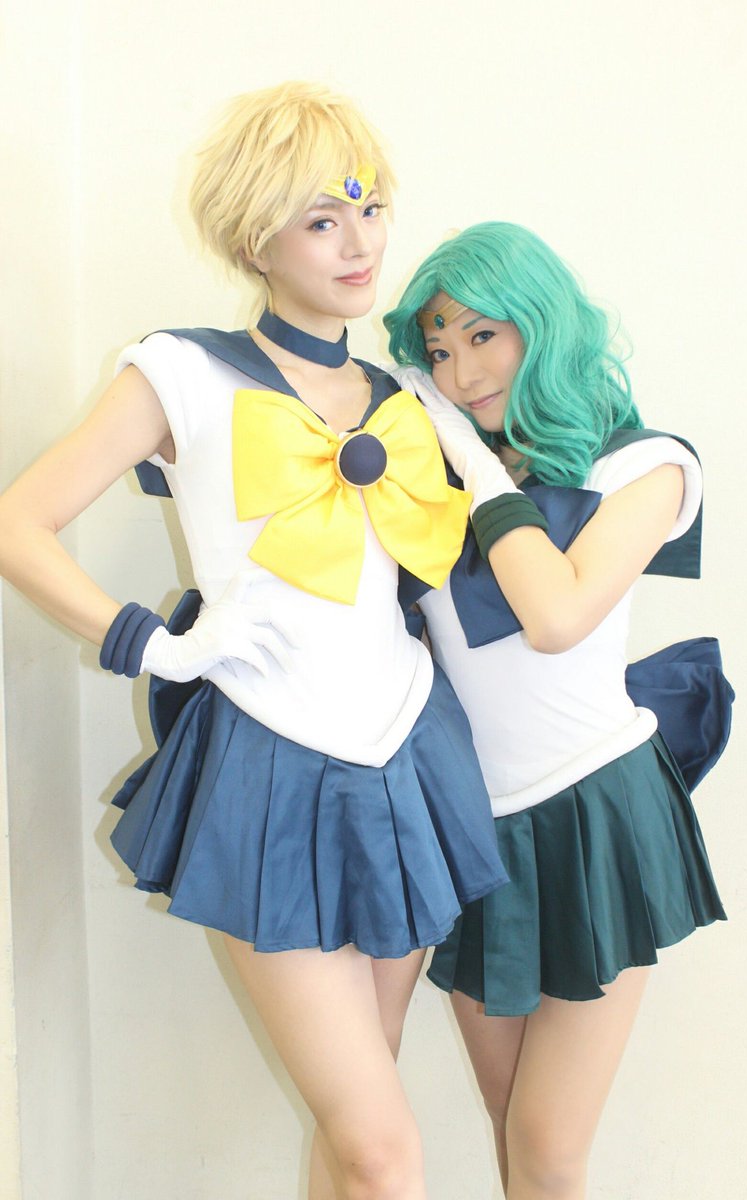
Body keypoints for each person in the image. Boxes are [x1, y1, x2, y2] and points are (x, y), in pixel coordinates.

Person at [0, 86, 507, 1200]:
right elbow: (18, 523)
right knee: (383, 1152)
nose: (359, 243)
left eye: (368, 208)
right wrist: (149, 643)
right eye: (322, 219)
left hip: (406, 752)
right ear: (253, 240)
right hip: (270, 760)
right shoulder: (181, 369)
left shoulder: (406, 395)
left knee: (356, 1129)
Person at [384, 221, 728, 1200]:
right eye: (437, 351)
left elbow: (557, 615)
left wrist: (470, 461)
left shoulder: (644, 464)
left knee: (545, 1144)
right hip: (474, 825)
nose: (459, 373)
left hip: (595, 813)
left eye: (481, 336)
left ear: (539, 323)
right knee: (513, 1130)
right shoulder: (435, 484)